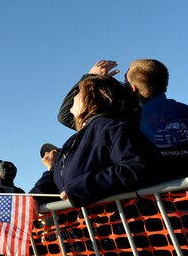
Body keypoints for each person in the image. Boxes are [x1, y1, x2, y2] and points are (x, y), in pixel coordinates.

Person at [57, 59, 188, 182]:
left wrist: (89, 77)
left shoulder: (122, 118)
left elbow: (66, 115)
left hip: (153, 204)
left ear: (132, 89)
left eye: (124, 82)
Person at [32, 75, 156, 207]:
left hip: (118, 223)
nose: (74, 95)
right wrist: (35, 197)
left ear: (93, 98)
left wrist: (83, 188)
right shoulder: (72, 141)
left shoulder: (113, 128)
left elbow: (136, 167)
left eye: (79, 92)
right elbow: (53, 175)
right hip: (82, 226)